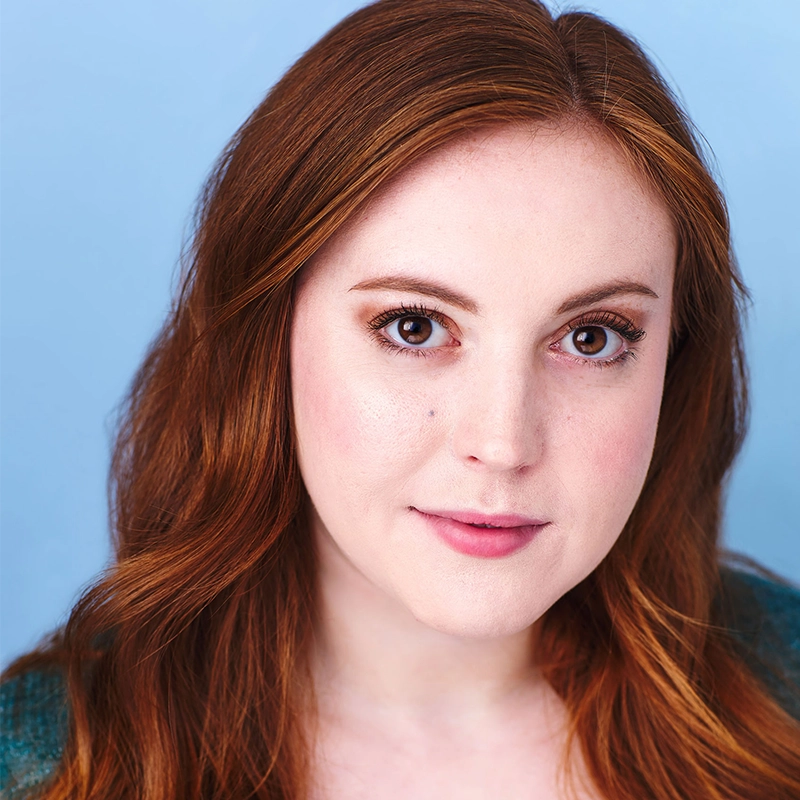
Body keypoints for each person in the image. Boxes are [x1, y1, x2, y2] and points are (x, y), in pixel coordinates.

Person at [2, 0, 799, 797]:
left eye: (592, 337)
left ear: (674, 363)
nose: (503, 442)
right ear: (267, 337)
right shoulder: (47, 766)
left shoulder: (782, 691)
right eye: (414, 327)